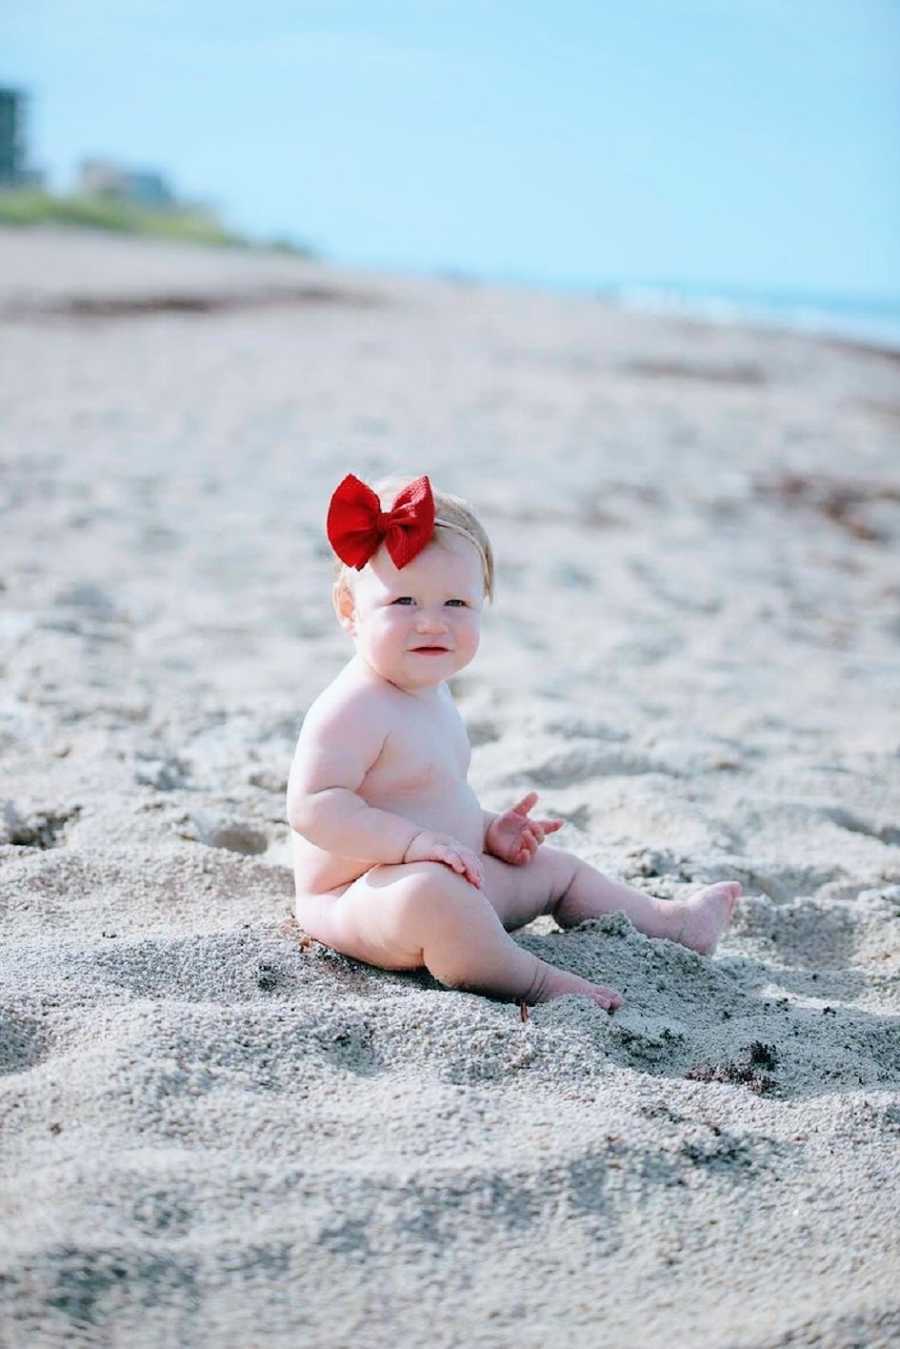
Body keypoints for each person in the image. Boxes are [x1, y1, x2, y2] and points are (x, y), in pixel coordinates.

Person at [286, 472, 741, 1011]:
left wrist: (487, 831)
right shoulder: (352, 707)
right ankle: (538, 983)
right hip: (360, 899)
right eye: (404, 600)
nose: (432, 624)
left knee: (554, 871)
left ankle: (673, 924)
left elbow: (429, 795)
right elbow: (315, 808)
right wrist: (412, 846)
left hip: (452, 871)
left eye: (456, 604)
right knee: (434, 897)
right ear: (349, 610)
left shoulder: (431, 692)